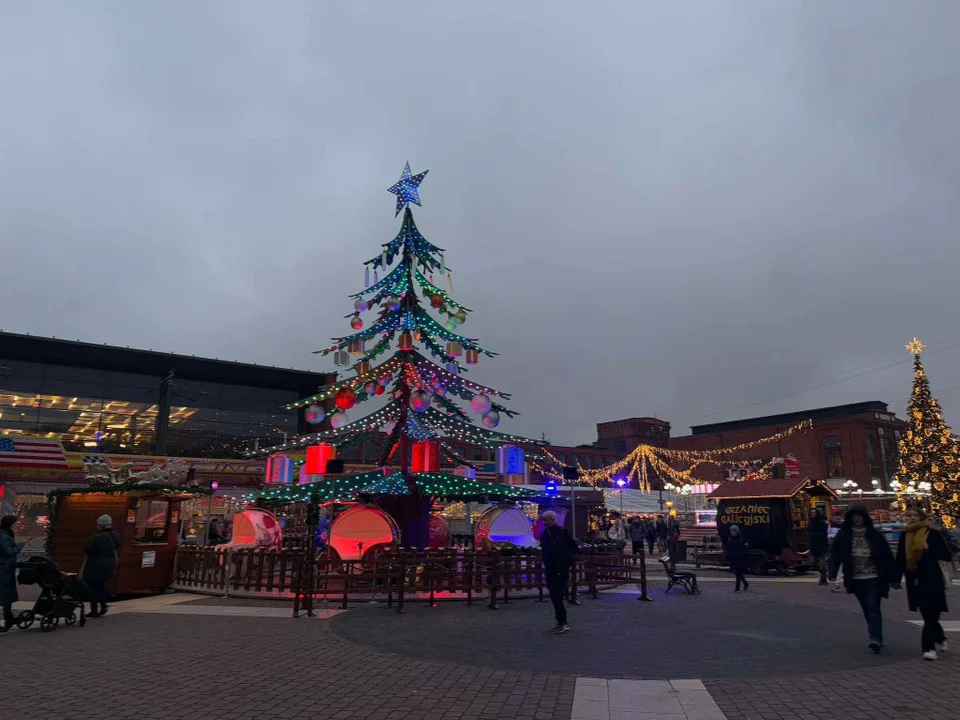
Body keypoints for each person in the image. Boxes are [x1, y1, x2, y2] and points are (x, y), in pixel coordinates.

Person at [828, 505, 896, 653]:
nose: (857, 519)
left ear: (865, 517)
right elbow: (835, 554)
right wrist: (832, 571)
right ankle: (876, 634)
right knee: (867, 608)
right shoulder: (844, 535)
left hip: (874, 577)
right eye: (854, 516)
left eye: (859, 516)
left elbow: (887, 556)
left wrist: (893, 577)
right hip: (856, 577)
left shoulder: (875, 535)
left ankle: (875, 638)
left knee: (872, 606)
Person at [895, 505, 952, 660]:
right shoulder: (904, 535)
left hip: (933, 578)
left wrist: (929, 548)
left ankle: (928, 648)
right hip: (915, 579)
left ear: (922, 517)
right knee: (928, 614)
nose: (912, 518)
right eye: (910, 516)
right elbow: (900, 558)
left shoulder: (932, 534)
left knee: (931, 614)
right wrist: (895, 578)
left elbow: (946, 555)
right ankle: (938, 639)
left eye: (915, 515)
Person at [540, 510, 578, 634]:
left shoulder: (562, 532)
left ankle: (563, 622)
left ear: (552, 519)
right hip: (549, 568)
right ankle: (560, 621)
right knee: (553, 595)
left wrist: (566, 560)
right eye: (543, 520)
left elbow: (573, 546)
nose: (544, 523)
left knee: (557, 596)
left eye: (546, 520)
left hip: (560, 568)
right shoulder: (545, 533)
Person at [81, 514, 121, 618]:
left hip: (96, 565)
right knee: (101, 585)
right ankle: (103, 605)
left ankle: (95, 610)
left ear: (100, 525)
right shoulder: (116, 535)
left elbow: (87, 548)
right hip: (110, 563)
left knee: (93, 587)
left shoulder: (97, 537)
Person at [0, 515, 25, 633]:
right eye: (15, 524)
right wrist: (20, 545)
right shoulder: (4, 536)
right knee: (5, 596)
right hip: (3, 571)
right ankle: (8, 619)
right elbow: (9, 552)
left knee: (6, 597)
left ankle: (9, 619)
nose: (17, 526)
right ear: (9, 525)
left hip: (6, 570)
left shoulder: (5, 535)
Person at [808, 508, 829, 585]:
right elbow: (808, 531)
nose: (813, 514)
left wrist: (813, 535)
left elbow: (824, 534)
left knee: (822, 563)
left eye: (814, 512)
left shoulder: (822, 523)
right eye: (811, 512)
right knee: (813, 562)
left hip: (821, 545)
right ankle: (823, 575)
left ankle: (823, 578)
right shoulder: (810, 523)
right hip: (813, 546)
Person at [726, 525, 749, 592]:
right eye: (731, 531)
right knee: (737, 573)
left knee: (738, 572)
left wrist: (742, 554)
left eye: (733, 531)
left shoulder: (741, 538)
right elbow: (729, 548)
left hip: (740, 558)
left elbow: (746, 548)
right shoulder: (730, 538)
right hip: (733, 558)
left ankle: (737, 587)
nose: (732, 532)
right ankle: (745, 583)